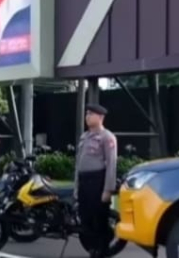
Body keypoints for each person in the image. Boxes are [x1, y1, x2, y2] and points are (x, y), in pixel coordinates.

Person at [75, 104, 117, 258]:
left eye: (91, 114)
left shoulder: (107, 137)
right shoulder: (84, 137)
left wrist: (108, 190)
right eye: (86, 114)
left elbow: (111, 164)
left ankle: (101, 251)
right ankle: (92, 249)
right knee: (85, 219)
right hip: (83, 182)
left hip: (97, 181)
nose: (87, 117)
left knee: (98, 219)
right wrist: (76, 187)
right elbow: (78, 164)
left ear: (100, 117)